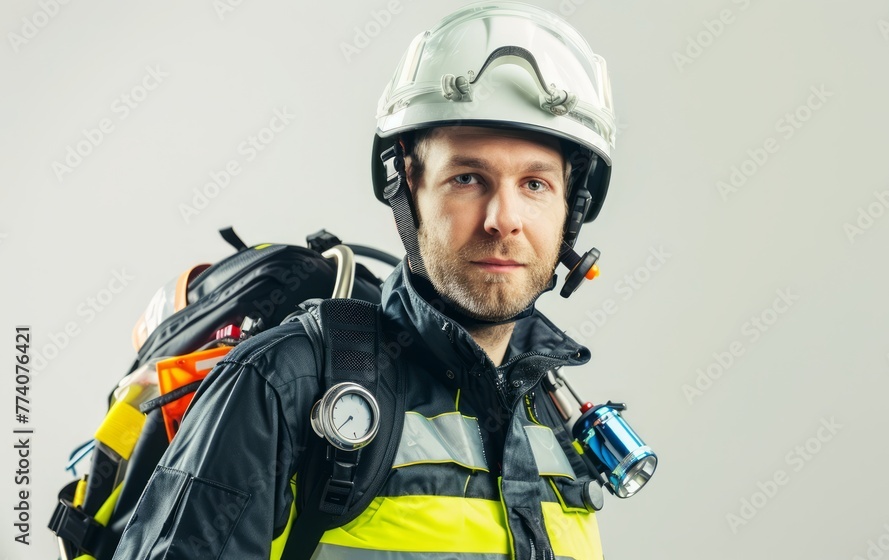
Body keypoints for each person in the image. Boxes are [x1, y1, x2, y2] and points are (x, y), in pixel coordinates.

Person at [112, 2, 618, 558]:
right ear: (407, 188)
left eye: (535, 184)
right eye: (468, 177)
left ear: (574, 208)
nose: (504, 218)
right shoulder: (283, 384)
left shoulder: (555, 412)